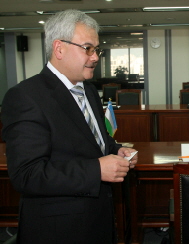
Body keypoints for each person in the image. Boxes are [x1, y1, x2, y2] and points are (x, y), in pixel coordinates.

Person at [1, 9, 138, 244]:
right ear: (59, 48)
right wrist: (96, 170)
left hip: (99, 219)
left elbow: (95, 141)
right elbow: (27, 174)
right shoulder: (26, 96)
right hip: (58, 229)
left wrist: (116, 150)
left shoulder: (90, 91)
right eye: (88, 48)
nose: (95, 57)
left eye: (97, 49)